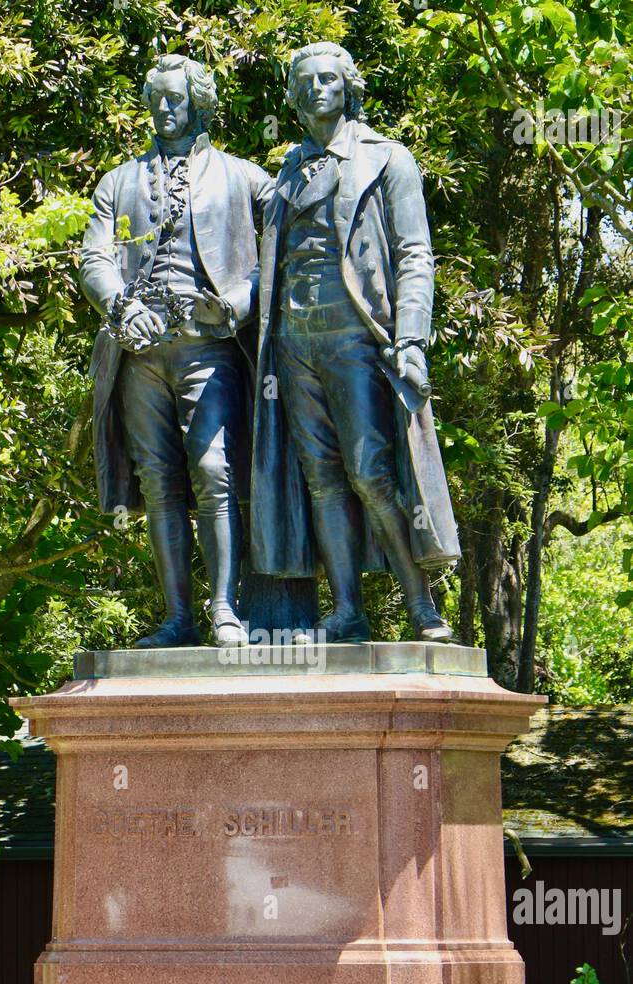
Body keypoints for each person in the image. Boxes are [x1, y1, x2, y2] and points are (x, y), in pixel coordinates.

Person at [251, 42, 460, 643]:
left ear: (348, 86)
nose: (318, 88)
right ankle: (347, 609)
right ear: (293, 96)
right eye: (306, 81)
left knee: (371, 472)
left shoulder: (387, 159)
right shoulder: (287, 171)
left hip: (356, 338)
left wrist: (412, 339)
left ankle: (421, 604)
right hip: (293, 345)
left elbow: (416, 254)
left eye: (328, 78)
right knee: (321, 477)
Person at [80, 55, 273, 647]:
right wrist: (120, 305)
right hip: (140, 354)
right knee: (159, 481)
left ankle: (224, 610)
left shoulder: (243, 176)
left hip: (209, 348)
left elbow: (286, 247)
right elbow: (95, 258)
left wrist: (241, 298)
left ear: (199, 102)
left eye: (176, 98)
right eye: (157, 97)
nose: (166, 108)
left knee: (213, 471)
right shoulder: (117, 182)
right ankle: (176, 618)